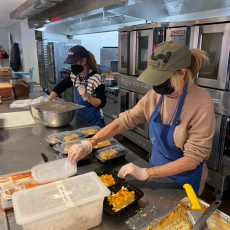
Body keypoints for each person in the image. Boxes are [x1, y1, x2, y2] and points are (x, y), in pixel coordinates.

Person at [68, 41, 215, 195]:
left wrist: (146, 173)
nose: (157, 84)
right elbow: (125, 121)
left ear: (182, 72)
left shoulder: (201, 103)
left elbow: (192, 159)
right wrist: (90, 142)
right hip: (154, 172)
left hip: (184, 182)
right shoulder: (155, 95)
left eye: (162, 78)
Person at [47, 45, 106, 128]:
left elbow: (101, 103)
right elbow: (61, 86)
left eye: (74, 62)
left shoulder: (96, 78)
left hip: (93, 123)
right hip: (79, 120)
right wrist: (48, 100)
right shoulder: (74, 75)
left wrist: (88, 97)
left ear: (84, 61)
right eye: (71, 63)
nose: (72, 65)